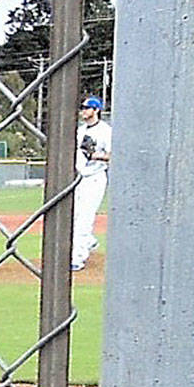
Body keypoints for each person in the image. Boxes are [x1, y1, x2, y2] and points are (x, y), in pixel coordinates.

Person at [72, 95, 112, 270]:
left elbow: (114, 156)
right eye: (82, 108)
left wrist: (95, 155)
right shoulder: (80, 131)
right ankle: (88, 241)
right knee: (74, 217)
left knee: (84, 219)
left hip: (95, 179)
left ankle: (77, 258)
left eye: (86, 108)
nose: (83, 111)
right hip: (78, 178)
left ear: (96, 110)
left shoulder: (105, 131)